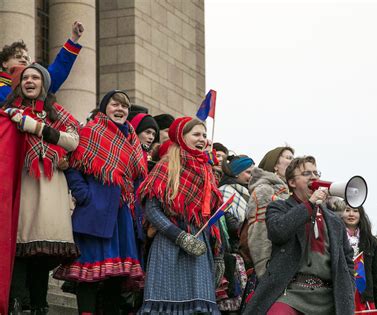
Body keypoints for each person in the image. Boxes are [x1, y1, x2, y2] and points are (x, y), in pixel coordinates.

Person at [53, 90, 146, 315]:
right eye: (115, 104)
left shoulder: (132, 139)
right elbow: (72, 165)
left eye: (124, 106)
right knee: (89, 273)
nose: (120, 109)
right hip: (95, 212)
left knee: (117, 274)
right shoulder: (91, 131)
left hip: (122, 215)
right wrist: (85, 195)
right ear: (105, 107)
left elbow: (137, 178)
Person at [2, 63, 81, 314]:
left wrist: (36, 127)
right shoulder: (8, 112)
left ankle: (39, 305)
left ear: (44, 84)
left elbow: (73, 140)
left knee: (41, 251)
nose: (30, 81)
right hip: (21, 183)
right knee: (20, 246)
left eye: (35, 77)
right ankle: (15, 303)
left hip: (50, 185)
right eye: (25, 77)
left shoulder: (56, 113)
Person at [244, 156, 355, 315]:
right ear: (292, 182)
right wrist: (309, 205)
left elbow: (348, 259)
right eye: (306, 173)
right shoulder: (278, 207)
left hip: (329, 299)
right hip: (292, 293)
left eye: (316, 173)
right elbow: (278, 232)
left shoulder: (334, 220)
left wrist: (348, 291)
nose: (314, 177)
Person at [137, 117, 224, 314]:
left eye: (204, 135)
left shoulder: (207, 170)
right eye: (196, 135)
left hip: (198, 245)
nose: (202, 139)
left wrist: (218, 254)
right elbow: (152, 210)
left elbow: (211, 218)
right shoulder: (166, 166)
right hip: (169, 243)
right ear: (181, 137)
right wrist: (179, 236)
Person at [0, 21, 84, 101]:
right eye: (18, 57)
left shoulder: (38, 84)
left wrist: (74, 39)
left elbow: (57, 70)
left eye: (26, 58)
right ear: (4, 63)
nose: (23, 60)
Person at [244, 146, 294, 277]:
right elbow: (259, 234)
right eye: (288, 158)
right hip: (272, 268)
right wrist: (265, 271)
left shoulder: (290, 191)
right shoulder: (264, 190)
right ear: (275, 164)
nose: (293, 162)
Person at [340, 203, 377, 311]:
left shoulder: (372, 242)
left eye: (355, 211)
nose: (351, 214)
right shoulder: (333, 239)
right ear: (340, 213)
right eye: (347, 210)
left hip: (364, 299)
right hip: (340, 298)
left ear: (361, 214)